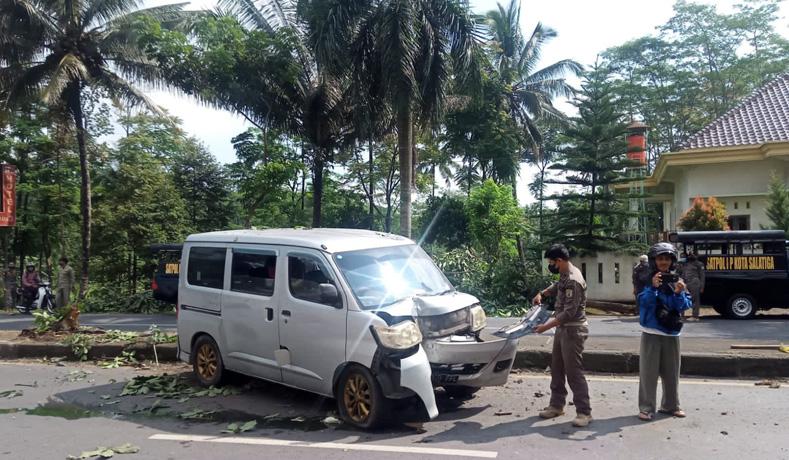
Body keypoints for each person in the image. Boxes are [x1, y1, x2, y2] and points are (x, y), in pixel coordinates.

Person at [532, 244, 592, 428]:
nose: (551, 265)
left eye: (552, 262)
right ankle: (557, 405)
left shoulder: (574, 280)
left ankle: (584, 412)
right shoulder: (566, 274)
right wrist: (543, 293)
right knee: (557, 368)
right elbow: (559, 284)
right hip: (562, 328)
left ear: (560, 260)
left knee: (573, 372)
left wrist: (545, 327)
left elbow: (569, 313)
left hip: (573, 330)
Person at [637, 242, 692, 421]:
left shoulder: (677, 279)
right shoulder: (646, 279)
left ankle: (671, 405)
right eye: (660, 258)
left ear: (672, 261)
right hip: (652, 332)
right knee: (648, 374)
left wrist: (679, 293)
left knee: (672, 373)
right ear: (654, 261)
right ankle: (646, 408)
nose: (663, 262)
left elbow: (684, 306)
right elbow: (644, 303)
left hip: (671, 333)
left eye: (667, 259)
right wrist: (653, 287)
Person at [678, 253, 705, 321]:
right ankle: (681, 316)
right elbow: (680, 273)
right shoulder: (685, 264)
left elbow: (702, 276)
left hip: (694, 282)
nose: (691, 255)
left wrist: (702, 287)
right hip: (685, 282)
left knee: (695, 300)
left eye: (693, 254)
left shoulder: (699, 264)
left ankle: (695, 316)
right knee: (682, 298)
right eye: (689, 255)